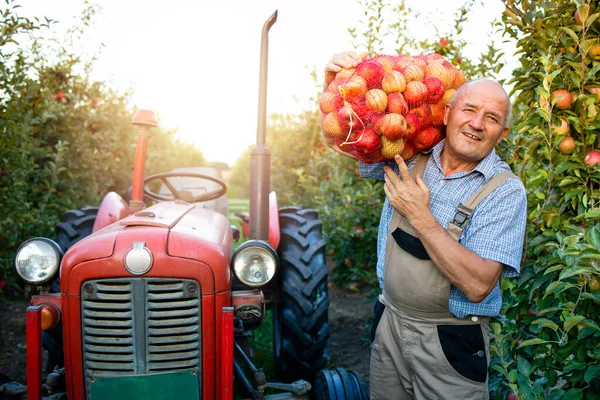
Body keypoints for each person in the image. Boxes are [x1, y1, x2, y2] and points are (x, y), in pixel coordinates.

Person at [321, 51, 527, 399]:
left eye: (491, 118)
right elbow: (343, 140)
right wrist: (337, 92)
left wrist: (420, 215)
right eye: (469, 110)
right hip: (390, 324)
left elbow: (478, 285)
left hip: (450, 344)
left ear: (502, 132)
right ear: (447, 113)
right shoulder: (411, 152)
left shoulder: (504, 191)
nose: (477, 124)